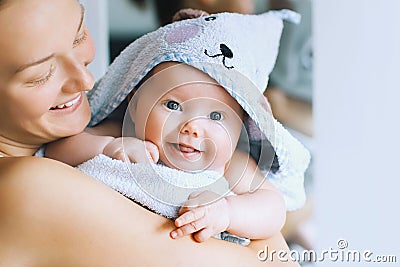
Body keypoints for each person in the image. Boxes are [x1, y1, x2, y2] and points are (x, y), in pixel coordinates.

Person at [0, 0, 300, 265]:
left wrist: (230, 212)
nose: (87, 80)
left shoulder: (233, 163)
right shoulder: (26, 187)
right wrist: (109, 148)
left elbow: (271, 209)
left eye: (79, 36)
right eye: (40, 74)